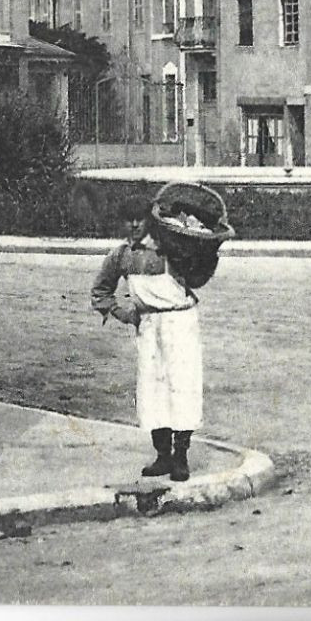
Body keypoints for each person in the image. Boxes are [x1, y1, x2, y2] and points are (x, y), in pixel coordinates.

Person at [91, 192, 225, 483]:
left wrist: (203, 252)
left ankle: (181, 456)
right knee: (153, 390)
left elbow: (200, 274)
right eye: (128, 221)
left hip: (180, 320)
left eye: (139, 219)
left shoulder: (171, 248)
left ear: (150, 221)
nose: (135, 225)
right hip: (148, 325)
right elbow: (100, 292)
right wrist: (122, 312)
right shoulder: (120, 256)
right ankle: (162, 455)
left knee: (182, 385)